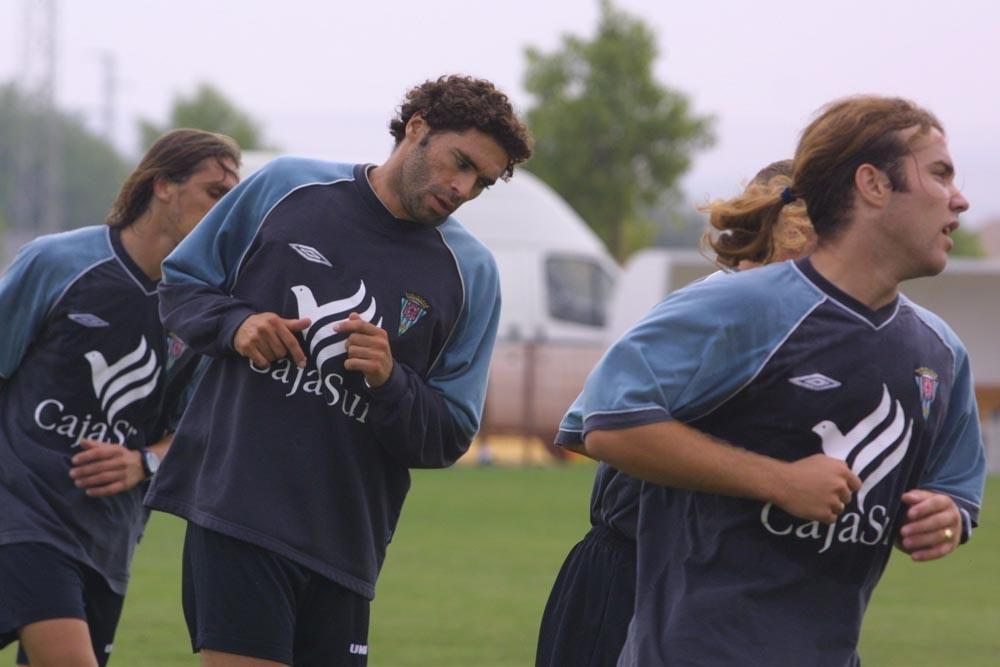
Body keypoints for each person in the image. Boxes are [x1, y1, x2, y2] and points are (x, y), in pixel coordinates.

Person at [565, 95, 986, 666]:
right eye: (939, 174)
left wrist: (946, 515)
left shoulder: (940, 352)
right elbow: (608, 427)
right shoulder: (735, 309)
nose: (959, 199)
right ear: (873, 185)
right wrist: (779, 481)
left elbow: (956, 487)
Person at [144, 75, 533, 666]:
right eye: (460, 163)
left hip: (347, 544)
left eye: (479, 181)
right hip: (239, 511)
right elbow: (182, 286)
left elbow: (451, 431)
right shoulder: (286, 187)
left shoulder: (470, 274)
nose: (462, 187)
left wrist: (389, 381)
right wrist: (238, 326)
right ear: (418, 127)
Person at [535, 159, 818, 667]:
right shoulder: (716, 305)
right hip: (636, 575)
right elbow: (587, 427)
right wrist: (765, 476)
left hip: (753, 585)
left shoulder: (832, 326)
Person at [0, 129, 240, 667]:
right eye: (215, 193)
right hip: (21, 518)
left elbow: (202, 433)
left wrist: (143, 462)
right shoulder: (57, 262)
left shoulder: (207, 310)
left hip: (107, 542)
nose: (227, 212)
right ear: (163, 186)